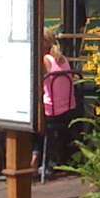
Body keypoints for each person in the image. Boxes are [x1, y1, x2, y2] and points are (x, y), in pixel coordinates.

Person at [34, 30, 77, 175]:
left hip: (51, 112)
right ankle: (45, 158)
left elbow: (35, 83)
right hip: (67, 109)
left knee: (30, 122)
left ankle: (37, 158)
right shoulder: (62, 58)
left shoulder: (45, 60)